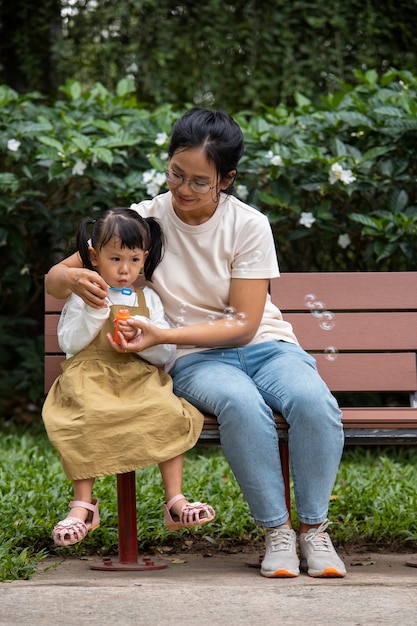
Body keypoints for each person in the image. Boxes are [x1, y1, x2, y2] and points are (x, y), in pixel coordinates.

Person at [45, 108, 346, 578]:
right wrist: (72, 278)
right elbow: (55, 278)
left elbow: (246, 325)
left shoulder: (248, 225)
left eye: (200, 182)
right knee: (241, 405)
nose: (183, 190)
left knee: (315, 403)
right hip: (195, 357)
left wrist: (162, 333)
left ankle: (314, 531)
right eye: (176, 174)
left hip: (265, 345)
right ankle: (278, 532)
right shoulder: (144, 218)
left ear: (226, 179)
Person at [42, 207, 215, 547]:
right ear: (94, 257)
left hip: (138, 376)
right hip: (89, 375)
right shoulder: (85, 291)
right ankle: (83, 506)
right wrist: (95, 312)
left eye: (134, 260)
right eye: (115, 258)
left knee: (166, 410)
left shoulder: (147, 297)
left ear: (145, 258)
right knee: (83, 416)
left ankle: (175, 501)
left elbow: (164, 353)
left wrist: (144, 341)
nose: (124, 270)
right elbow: (69, 344)